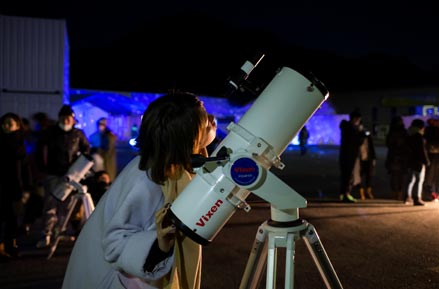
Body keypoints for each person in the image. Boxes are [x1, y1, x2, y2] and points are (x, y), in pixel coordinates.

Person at [62, 92, 216, 289]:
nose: (212, 123)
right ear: (185, 136)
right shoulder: (149, 178)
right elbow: (115, 242)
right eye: (204, 122)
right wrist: (159, 246)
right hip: (118, 281)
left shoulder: (166, 164)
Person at [35, 105, 90, 248]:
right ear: (59, 118)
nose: (66, 120)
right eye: (63, 117)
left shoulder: (78, 134)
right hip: (53, 174)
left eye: (69, 117)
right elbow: (40, 151)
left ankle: (60, 232)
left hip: (71, 176)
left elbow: (86, 151)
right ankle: (46, 233)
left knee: (66, 207)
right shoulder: (50, 133)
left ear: (73, 119)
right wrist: (43, 169)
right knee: (50, 205)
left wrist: (81, 169)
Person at [0, 113, 32, 260]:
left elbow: (25, 167)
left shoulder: (20, 143)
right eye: (4, 123)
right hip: (2, 185)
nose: (5, 126)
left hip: (15, 185)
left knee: (13, 218)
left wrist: (27, 187)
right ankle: (2, 247)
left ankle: (11, 246)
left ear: (18, 126)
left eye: (9, 124)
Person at [338, 109, 366, 203]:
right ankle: (346, 194)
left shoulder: (346, 127)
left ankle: (344, 194)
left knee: (346, 175)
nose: (359, 122)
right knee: (348, 176)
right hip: (349, 155)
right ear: (354, 119)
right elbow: (356, 142)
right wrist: (362, 134)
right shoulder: (351, 129)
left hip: (345, 155)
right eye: (358, 120)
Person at [405, 119, 430, 206]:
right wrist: (426, 161)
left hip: (409, 161)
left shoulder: (408, 135)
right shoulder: (419, 137)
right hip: (418, 162)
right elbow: (422, 151)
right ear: (420, 127)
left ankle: (407, 197)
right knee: (419, 180)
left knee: (411, 180)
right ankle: (417, 199)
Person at [385, 116, 410, 201]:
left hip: (400, 157)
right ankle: (396, 193)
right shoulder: (398, 132)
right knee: (396, 176)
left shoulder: (402, 132)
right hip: (395, 157)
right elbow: (389, 144)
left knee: (399, 176)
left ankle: (398, 193)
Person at [357, 125, 376, 200]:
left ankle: (368, 192)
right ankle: (361, 193)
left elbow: (372, 149)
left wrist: (373, 159)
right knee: (360, 177)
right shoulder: (358, 138)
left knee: (369, 176)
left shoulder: (369, 139)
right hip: (360, 160)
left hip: (368, 160)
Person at [423, 118, 439, 201]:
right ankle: (432, 193)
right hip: (433, 155)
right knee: (432, 175)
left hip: (431, 154)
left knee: (431, 174)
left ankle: (432, 193)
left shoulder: (428, 131)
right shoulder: (432, 131)